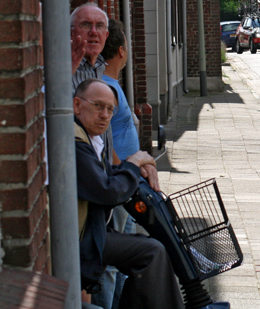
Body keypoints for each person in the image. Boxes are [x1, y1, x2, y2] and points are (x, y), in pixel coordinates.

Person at [74, 78, 185, 309]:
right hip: (83, 238)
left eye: (110, 109)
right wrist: (133, 165)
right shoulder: (75, 141)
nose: (105, 115)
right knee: (152, 252)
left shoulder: (88, 137)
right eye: (97, 106)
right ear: (77, 105)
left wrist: (131, 170)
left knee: (149, 250)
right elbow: (107, 191)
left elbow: (102, 175)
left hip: (93, 230)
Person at [93, 20, 156, 309]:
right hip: (121, 182)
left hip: (127, 180)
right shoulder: (106, 90)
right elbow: (108, 143)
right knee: (116, 258)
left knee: (125, 249)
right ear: (121, 51)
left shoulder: (109, 85)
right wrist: (129, 170)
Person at [72, 3, 110, 92]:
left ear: (106, 35)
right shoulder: (61, 67)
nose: (94, 32)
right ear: (71, 33)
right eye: (86, 24)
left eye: (99, 25)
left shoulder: (100, 65)